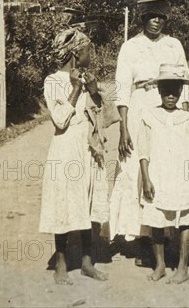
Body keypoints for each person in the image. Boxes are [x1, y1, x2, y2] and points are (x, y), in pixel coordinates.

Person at [109, 1, 189, 252]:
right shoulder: (131, 47)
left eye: (162, 17)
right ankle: (142, 236)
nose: (157, 20)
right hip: (139, 106)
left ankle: (166, 232)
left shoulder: (173, 44)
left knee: (166, 166)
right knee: (136, 167)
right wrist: (124, 129)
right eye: (152, 16)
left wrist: (183, 119)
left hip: (168, 108)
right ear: (143, 18)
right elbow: (122, 87)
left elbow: (185, 83)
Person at [39, 28, 116, 284]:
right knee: (63, 201)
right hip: (66, 148)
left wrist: (94, 91)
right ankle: (61, 263)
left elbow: (105, 117)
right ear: (75, 53)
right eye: (87, 50)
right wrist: (75, 88)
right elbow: (60, 121)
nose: (90, 54)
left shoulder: (88, 79)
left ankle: (86, 262)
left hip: (88, 148)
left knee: (88, 202)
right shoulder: (53, 81)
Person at [138, 64, 189, 284]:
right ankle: (160, 265)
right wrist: (147, 179)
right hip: (157, 175)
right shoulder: (149, 116)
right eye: (166, 89)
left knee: (186, 220)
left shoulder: (188, 119)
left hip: (182, 176)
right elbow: (143, 152)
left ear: (180, 91)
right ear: (158, 90)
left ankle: (183, 268)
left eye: (175, 90)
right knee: (156, 220)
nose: (170, 95)